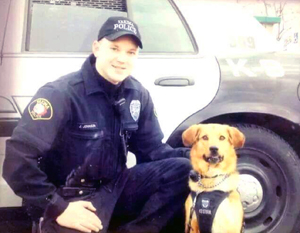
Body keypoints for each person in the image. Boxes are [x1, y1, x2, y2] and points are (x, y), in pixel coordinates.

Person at [2, 16, 191, 233]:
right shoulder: (61, 94)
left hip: (115, 188)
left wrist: (199, 158)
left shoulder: (137, 95)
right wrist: (58, 207)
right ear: (97, 48)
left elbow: (154, 151)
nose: (122, 59)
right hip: (68, 196)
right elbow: (18, 162)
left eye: (130, 52)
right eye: (114, 48)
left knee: (184, 170)